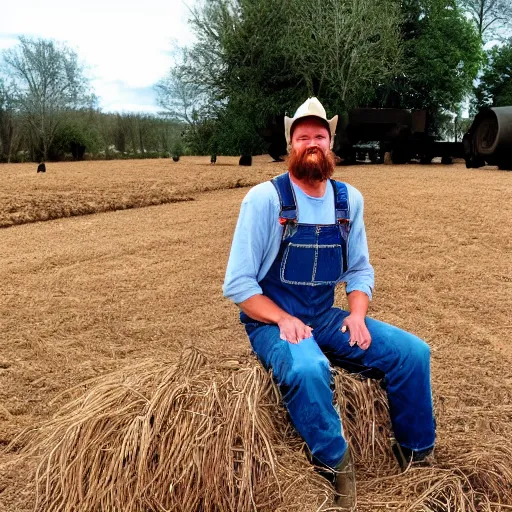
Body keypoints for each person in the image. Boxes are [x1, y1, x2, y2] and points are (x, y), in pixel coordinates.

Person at [223, 97, 436, 509]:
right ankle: (335, 465)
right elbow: (238, 285)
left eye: (319, 135)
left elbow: (358, 270)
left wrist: (357, 314)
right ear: (291, 146)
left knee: (413, 353)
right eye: (303, 137)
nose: (312, 143)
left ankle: (416, 455)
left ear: (331, 143)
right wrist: (282, 318)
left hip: (324, 316)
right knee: (308, 366)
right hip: (271, 322)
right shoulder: (265, 200)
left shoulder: (347, 201)